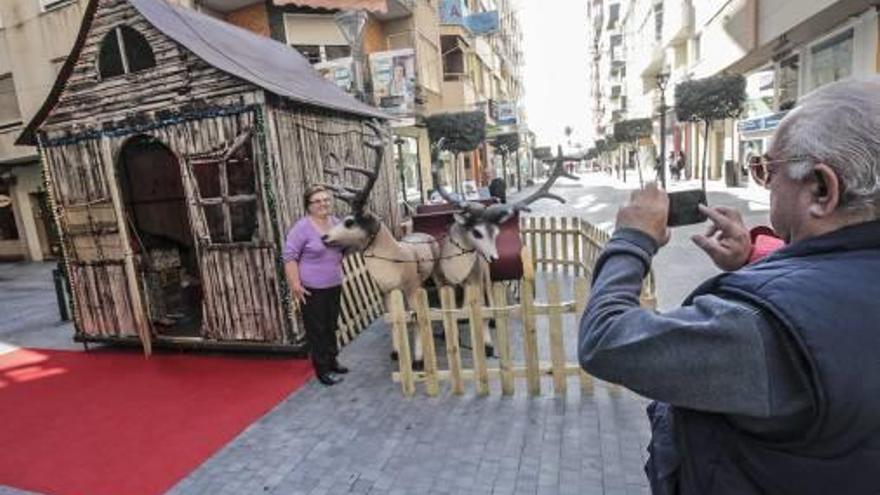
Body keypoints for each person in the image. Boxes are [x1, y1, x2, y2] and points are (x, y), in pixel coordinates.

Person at [579, 77, 880, 494]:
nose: (765, 182)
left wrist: (632, 239)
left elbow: (606, 340)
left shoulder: (762, 329)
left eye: (766, 170)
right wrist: (756, 263)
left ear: (821, 188)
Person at [284, 185, 348, 386]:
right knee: (317, 329)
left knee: (331, 325)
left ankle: (332, 360)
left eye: (326, 200)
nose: (323, 204)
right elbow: (289, 256)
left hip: (334, 283)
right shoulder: (302, 228)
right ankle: (322, 370)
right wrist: (295, 283)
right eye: (317, 201)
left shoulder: (336, 223)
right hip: (312, 288)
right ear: (309, 206)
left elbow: (344, 247)